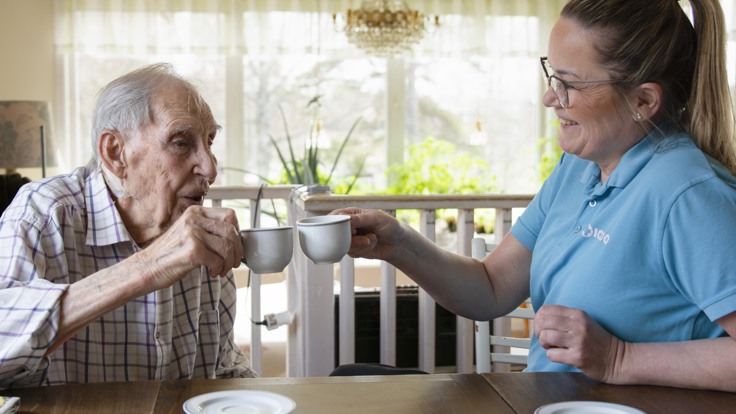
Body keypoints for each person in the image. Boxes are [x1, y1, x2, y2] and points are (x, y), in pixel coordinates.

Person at [332, 0, 736, 392]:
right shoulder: (579, 168)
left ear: (643, 101)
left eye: (570, 84)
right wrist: (398, 243)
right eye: (551, 75)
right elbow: (491, 287)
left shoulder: (689, 196)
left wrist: (619, 358)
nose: (549, 98)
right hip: (545, 400)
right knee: (347, 380)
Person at [0, 63, 256, 389]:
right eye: (181, 142)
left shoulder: (202, 236)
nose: (210, 168)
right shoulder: (43, 216)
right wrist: (149, 266)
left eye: (209, 141)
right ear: (115, 153)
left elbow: (225, 368)